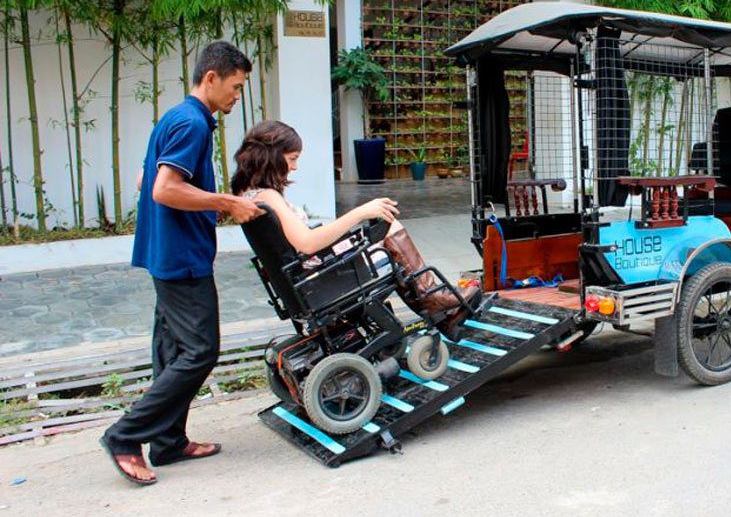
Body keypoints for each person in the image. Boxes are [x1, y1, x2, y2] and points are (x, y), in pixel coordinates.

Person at [100, 41, 263, 486]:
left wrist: (205, 201)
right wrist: (225, 203)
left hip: (165, 251)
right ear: (210, 78)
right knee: (200, 351)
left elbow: (144, 176)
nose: (236, 96)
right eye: (235, 86)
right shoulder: (192, 123)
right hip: (181, 257)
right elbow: (163, 189)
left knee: (171, 350)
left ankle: (168, 442)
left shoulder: (176, 117)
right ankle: (124, 436)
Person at [230, 120, 479, 336]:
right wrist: (360, 212)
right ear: (272, 155)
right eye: (292, 159)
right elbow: (306, 243)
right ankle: (434, 299)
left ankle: (438, 308)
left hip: (307, 272)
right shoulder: (269, 197)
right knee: (390, 229)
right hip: (320, 276)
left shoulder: (247, 195)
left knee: (384, 228)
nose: (294, 167)